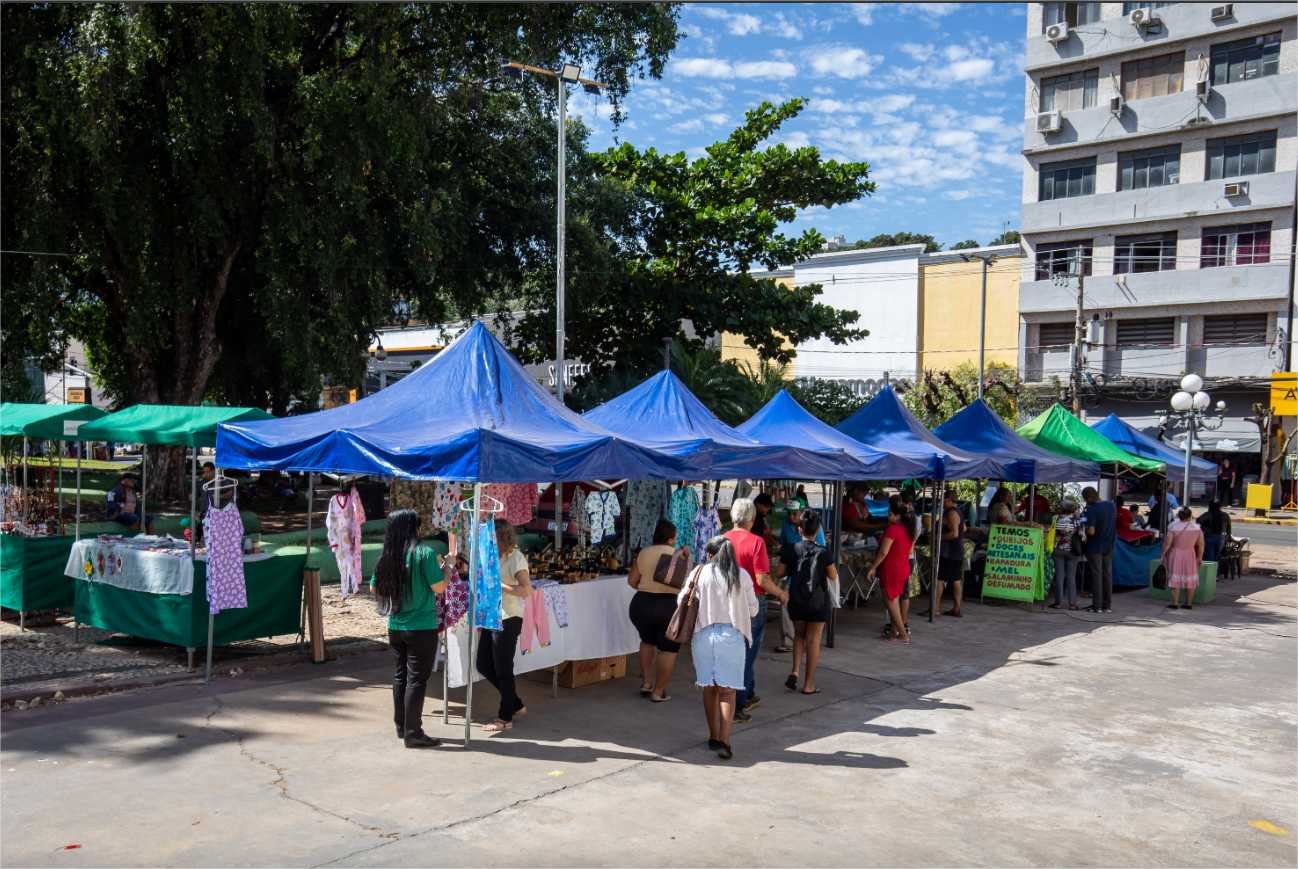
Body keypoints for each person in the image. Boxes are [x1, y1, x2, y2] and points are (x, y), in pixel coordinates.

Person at [371, 509, 448, 748]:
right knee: (417, 679)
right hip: (421, 627)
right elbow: (439, 588)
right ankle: (414, 732)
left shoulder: (387, 556)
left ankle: (401, 726)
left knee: (400, 675)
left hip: (395, 626)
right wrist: (448, 569)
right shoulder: (425, 553)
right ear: (414, 528)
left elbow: (375, 589)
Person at [683, 536, 759, 760]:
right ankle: (725, 741)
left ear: (709, 555)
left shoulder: (699, 573)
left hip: (703, 636)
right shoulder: (741, 575)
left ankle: (713, 736)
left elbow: (682, 601)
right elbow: (753, 610)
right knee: (727, 691)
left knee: (709, 688)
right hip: (731, 637)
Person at [724, 498, 788, 722]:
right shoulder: (756, 542)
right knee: (747, 652)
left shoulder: (722, 540)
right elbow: (761, 578)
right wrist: (780, 593)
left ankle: (746, 693)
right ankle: (738, 703)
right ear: (751, 519)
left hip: (726, 600)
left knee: (733, 650)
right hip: (752, 602)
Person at [476, 520, 533, 733]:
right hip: (492, 616)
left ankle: (505, 716)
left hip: (509, 617)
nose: (489, 543)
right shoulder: (491, 557)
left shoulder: (516, 558)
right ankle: (515, 703)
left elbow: (526, 590)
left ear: (502, 539)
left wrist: (501, 586)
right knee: (483, 664)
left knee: (503, 669)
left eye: (493, 540)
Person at [627, 519, 685, 702]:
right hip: (669, 606)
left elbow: (631, 581)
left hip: (642, 603)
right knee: (668, 649)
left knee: (647, 641)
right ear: (671, 538)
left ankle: (646, 682)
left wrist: (646, 589)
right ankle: (658, 692)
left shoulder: (644, 552)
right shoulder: (679, 555)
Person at [781, 510, 837, 695]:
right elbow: (833, 575)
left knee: (798, 636)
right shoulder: (824, 552)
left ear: (799, 529)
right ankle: (809, 684)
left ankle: (795, 671)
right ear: (818, 529)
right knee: (813, 641)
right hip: (817, 602)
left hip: (796, 600)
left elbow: (780, 572)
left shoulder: (791, 549)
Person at [867, 500, 916, 644]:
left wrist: (873, 567)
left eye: (890, 514)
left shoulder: (893, 529)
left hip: (892, 568)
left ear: (897, 516)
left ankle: (902, 634)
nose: (888, 517)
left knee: (891, 602)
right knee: (894, 600)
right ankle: (894, 632)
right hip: (902, 567)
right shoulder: (908, 528)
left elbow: (883, 552)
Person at [1082, 487, 1116, 613]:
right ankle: (1107, 606)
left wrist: (1084, 530)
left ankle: (1097, 606)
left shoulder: (1092, 510)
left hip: (1095, 546)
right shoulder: (1111, 505)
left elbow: (1091, 531)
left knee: (1097, 575)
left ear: (1088, 498)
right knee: (1107, 575)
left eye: (1085, 499)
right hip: (1109, 545)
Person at [1163, 506, 1204, 610]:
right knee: (1190, 578)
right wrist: (1200, 557)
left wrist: (1162, 555)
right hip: (1190, 554)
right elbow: (1201, 545)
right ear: (1190, 516)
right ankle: (1189, 603)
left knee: (1174, 577)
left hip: (1175, 554)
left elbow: (1168, 544)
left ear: (1178, 516)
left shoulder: (1173, 527)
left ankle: (1175, 603)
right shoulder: (1196, 528)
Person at [935, 493, 965, 617]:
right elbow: (965, 528)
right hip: (956, 550)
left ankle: (935, 608)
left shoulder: (951, 513)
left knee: (940, 578)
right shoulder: (958, 511)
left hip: (949, 551)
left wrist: (939, 537)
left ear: (948, 500)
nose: (941, 503)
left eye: (943, 500)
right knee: (956, 579)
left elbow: (954, 533)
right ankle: (956, 608)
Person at [1050, 501, 1083, 610]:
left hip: (1058, 550)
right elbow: (1082, 534)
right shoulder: (1077, 520)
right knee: (1071, 577)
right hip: (1072, 551)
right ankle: (1072, 604)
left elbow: (1052, 531)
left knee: (1059, 576)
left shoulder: (1055, 518)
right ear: (1073, 509)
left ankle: (1058, 603)